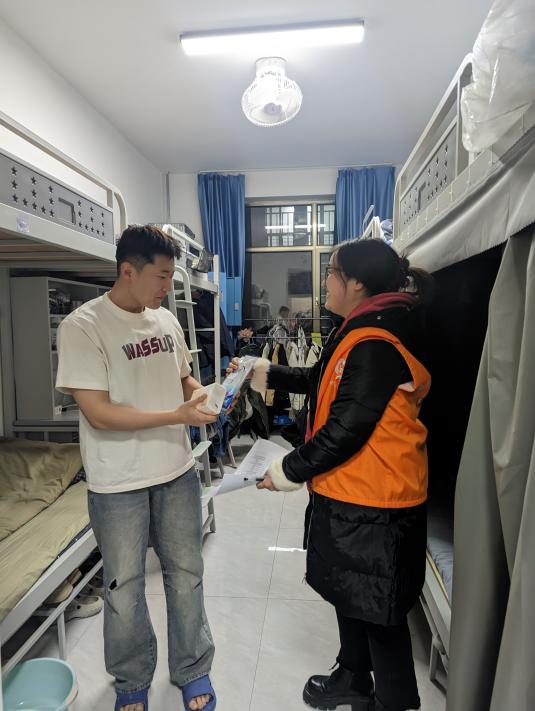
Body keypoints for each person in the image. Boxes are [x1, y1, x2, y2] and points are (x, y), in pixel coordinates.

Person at [250, 238, 434, 711]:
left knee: (380, 615)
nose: (325, 282)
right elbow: (317, 381)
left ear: (356, 283)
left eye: (331, 272)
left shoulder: (376, 343)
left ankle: (394, 703)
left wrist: (286, 470)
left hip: (379, 504)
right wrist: (261, 372)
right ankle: (352, 678)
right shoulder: (357, 331)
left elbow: (345, 430)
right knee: (350, 596)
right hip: (353, 496)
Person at [56, 225, 217, 711]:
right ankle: (132, 678)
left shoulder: (166, 320)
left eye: (171, 276)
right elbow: (99, 413)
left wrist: (205, 396)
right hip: (118, 482)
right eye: (161, 276)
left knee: (186, 573)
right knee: (123, 587)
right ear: (128, 271)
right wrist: (177, 415)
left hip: (176, 472)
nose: (168, 285)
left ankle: (192, 668)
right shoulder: (84, 327)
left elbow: (183, 377)